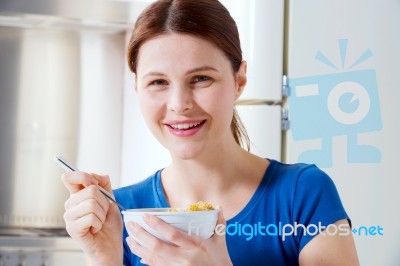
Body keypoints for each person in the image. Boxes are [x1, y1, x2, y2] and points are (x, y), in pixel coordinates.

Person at [61, 0, 360, 265]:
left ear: (239, 80)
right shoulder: (122, 212)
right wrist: (104, 259)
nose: (179, 104)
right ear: (136, 86)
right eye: (158, 82)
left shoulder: (302, 194)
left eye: (201, 78)